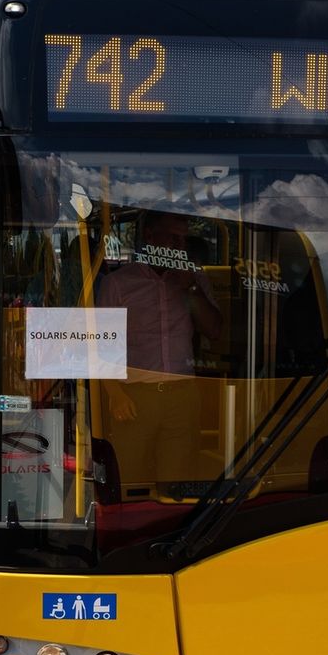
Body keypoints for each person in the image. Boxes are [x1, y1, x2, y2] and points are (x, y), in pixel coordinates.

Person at [96, 209, 223, 496]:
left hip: (182, 394)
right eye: (173, 238)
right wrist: (115, 394)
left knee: (177, 483)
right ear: (150, 237)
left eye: (183, 240)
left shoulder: (195, 279)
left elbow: (215, 330)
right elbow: (100, 344)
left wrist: (190, 287)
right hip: (135, 396)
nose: (179, 247)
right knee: (130, 479)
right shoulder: (119, 283)